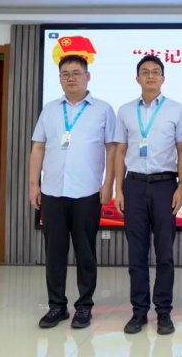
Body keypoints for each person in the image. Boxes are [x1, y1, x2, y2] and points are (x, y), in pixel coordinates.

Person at [30, 54, 116, 329]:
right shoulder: (50, 110)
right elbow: (38, 147)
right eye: (65, 74)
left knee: (85, 252)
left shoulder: (103, 110)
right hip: (53, 191)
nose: (71, 78)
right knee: (54, 252)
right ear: (59, 79)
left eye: (76, 73)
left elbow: (112, 149)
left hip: (87, 192)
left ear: (87, 77)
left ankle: (84, 307)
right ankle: (57, 306)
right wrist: (34, 184)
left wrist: (108, 183)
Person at [113, 55, 182, 335]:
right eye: (144, 72)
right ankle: (138, 312)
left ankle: (164, 312)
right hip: (133, 185)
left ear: (163, 78)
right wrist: (118, 189)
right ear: (137, 78)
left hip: (164, 186)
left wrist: (181, 185)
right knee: (136, 253)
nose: (150, 76)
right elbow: (120, 150)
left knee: (165, 253)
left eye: (155, 72)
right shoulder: (125, 111)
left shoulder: (177, 110)